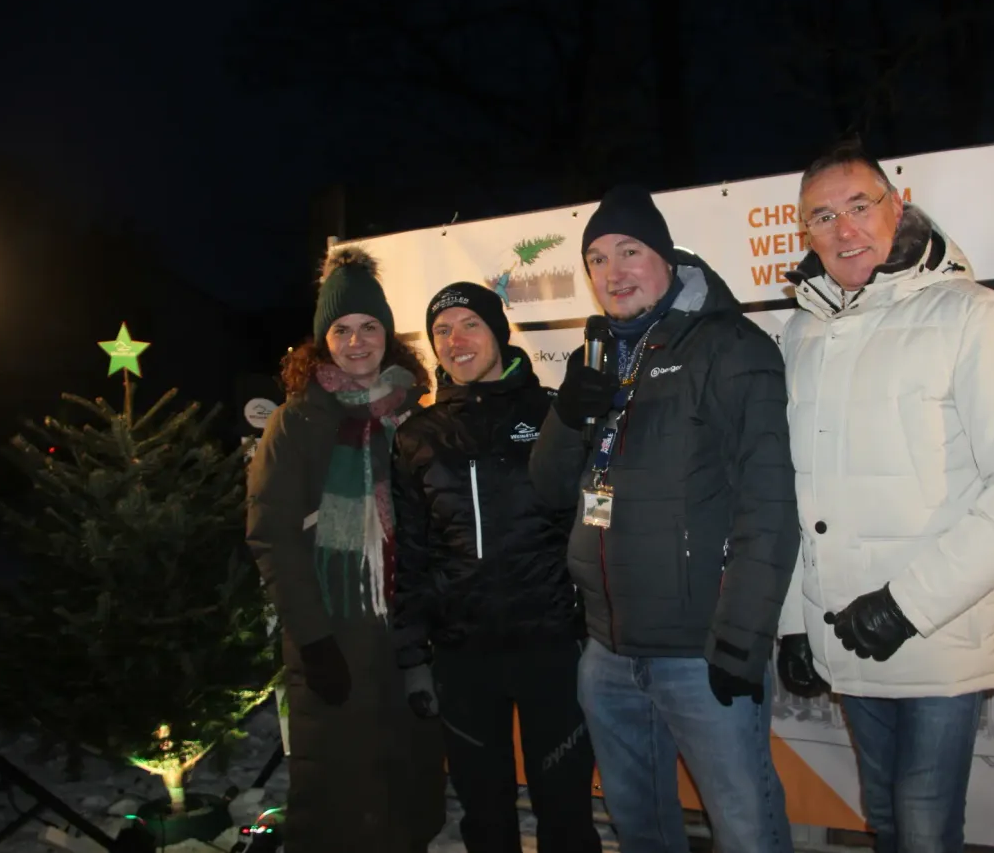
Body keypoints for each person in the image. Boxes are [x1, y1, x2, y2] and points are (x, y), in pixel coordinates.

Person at [776, 137, 994, 853]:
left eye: (859, 206)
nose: (844, 229)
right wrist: (794, 621)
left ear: (897, 206)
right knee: (884, 817)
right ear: (806, 233)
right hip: (844, 632)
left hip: (938, 632)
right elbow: (794, 488)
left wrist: (906, 605)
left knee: (924, 828)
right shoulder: (803, 331)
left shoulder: (971, 313)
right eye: (822, 217)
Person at [529, 185, 799, 853]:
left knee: (746, 826)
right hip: (608, 651)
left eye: (630, 251)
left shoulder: (731, 347)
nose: (613, 272)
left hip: (699, 651)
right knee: (640, 827)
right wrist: (566, 416)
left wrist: (740, 641)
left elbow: (769, 503)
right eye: (597, 259)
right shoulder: (596, 356)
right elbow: (549, 489)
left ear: (667, 258)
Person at [246, 247, 447, 852]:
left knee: (407, 784)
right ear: (322, 341)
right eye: (341, 330)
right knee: (337, 792)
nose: (356, 342)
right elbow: (272, 535)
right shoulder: (295, 423)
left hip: (406, 635)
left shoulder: (415, 416)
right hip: (332, 630)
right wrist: (313, 639)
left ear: (388, 335)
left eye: (368, 327)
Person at [390, 282, 602, 853]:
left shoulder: (553, 413)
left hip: (552, 646)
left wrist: (596, 628)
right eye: (442, 330)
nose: (455, 340)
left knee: (565, 811)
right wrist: (412, 658)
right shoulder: (417, 436)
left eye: (470, 325)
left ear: (499, 333)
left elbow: (593, 522)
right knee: (484, 815)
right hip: (463, 654)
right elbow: (411, 552)